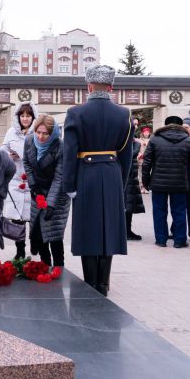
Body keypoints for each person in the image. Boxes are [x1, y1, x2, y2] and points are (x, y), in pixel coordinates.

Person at [63, 65, 133, 296]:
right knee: (109, 228)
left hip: (86, 174)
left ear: (89, 86)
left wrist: (69, 185)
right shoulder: (124, 114)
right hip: (112, 173)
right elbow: (126, 155)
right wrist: (120, 184)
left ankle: (90, 282)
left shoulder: (76, 113)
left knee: (88, 228)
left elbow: (70, 152)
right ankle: (104, 283)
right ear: (111, 87)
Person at [23, 115, 69, 267]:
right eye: (38, 132)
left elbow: (59, 177)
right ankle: (44, 266)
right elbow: (27, 163)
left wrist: (50, 204)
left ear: (52, 133)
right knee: (38, 232)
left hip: (57, 193)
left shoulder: (60, 146)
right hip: (38, 191)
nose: (41, 137)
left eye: (45, 133)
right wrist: (33, 185)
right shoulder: (29, 141)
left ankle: (59, 267)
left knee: (53, 233)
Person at [142, 116, 190, 248]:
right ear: (181, 126)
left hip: (158, 183)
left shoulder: (155, 139)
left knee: (159, 211)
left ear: (165, 125)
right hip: (180, 183)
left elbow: (147, 162)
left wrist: (145, 181)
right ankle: (179, 241)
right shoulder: (188, 140)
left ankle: (161, 240)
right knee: (180, 211)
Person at [1, 102, 37, 259]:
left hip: (33, 180)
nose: (25, 119)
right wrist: (10, 156)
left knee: (34, 218)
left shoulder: (38, 132)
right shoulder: (11, 132)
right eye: (22, 115)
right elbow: (2, 150)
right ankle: (20, 250)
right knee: (18, 219)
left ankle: (35, 243)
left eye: (28, 116)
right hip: (16, 180)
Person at [124, 128, 146, 240]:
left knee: (129, 206)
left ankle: (127, 231)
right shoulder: (121, 143)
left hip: (131, 178)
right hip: (124, 177)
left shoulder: (134, 144)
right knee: (125, 206)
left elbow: (131, 154)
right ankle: (125, 232)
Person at [137, 126, 152, 193]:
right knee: (140, 173)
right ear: (142, 133)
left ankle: (146, 187)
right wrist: (140, 154)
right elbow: (136, 149)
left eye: (147, 132)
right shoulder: (139, 140)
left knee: (147, 173)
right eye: (145, 132)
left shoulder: (151, 140)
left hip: (148, 160)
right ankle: (141, 186)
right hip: (141, 159)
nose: (146, 133)